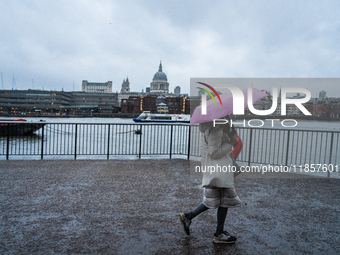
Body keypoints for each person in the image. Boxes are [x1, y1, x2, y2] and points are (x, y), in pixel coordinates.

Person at [179, 120, 242, 244]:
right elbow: (214, 153)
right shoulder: (216, 130)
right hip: (219, 171)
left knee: (215, 199)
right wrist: (230, 143)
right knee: (224, 200)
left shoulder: (213, 128)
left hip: (216, 170)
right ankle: (219, 233)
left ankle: (188, 217)